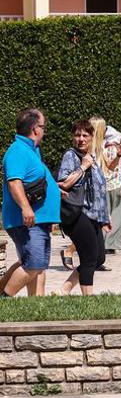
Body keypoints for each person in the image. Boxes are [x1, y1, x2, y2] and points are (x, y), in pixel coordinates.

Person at [2, 109, 58, 296]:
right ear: (35, 129)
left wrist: (56, 190)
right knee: (33, 264)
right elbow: (14, 182)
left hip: (38, 220)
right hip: (27, 220)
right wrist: (26, 208)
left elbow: (33, 180)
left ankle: (34, 303)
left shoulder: (31, 150)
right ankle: (4, 299)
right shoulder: (18, 151)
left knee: (37, 264)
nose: (44, 130)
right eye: (43, 126)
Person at [55, 120, 109, 296]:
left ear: (92, 137)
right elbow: (63, 184)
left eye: (85, 135)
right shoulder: (71, 156)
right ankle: (89, 299)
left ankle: (65, 290)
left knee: (99, 257)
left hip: (93, 216)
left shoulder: (91, 157)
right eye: (77, 135)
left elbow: (100, 189)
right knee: (89, 258)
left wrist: (104, 217)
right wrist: (83, 167)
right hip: (79, 213)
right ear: (73, 137)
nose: (81, 139)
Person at [101, 123, 121, 255]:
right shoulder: (116, 148)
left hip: (102, 185)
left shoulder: (99, 146)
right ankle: (114, 243)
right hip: (118, 185)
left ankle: (103, 243)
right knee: (119, 216)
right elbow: (116, 166)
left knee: (105, 215)